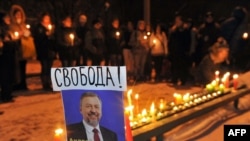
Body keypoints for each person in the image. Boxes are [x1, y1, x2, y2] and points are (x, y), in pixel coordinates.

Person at [9, 4, 32, 90]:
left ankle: (23, 84)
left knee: (23, 67)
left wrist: (26, 33)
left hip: (24, 49)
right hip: (16, 49)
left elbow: (28, 34)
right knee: (16, 68)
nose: (19, 16)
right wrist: (18, 35)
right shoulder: (12, 25)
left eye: (20, 15)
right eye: (17, 15)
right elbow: (12, 35)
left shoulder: (23, 25)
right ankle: (16, 84)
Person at [33, 12, 56, 90]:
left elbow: (54, 38)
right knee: (44, 67)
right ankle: (45, 83)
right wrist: (45, 35)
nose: (47, 20)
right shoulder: (39, 27)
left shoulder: (51, 27)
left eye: (48, 18)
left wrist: (51, 35)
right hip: (43, 50)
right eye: (46, 18)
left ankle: (49, 82)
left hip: (50, 50)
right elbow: (38, 39)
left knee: (49, 67)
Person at [0, 11, 19, 102]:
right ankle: (5, 94)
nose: (8, 19)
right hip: (4, 54)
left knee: (9, 74)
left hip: (10, 53)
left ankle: (8, 93)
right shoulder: (2, 28)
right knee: (5, 75)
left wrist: (14, 39)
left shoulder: (8, 28)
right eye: (6, 18)